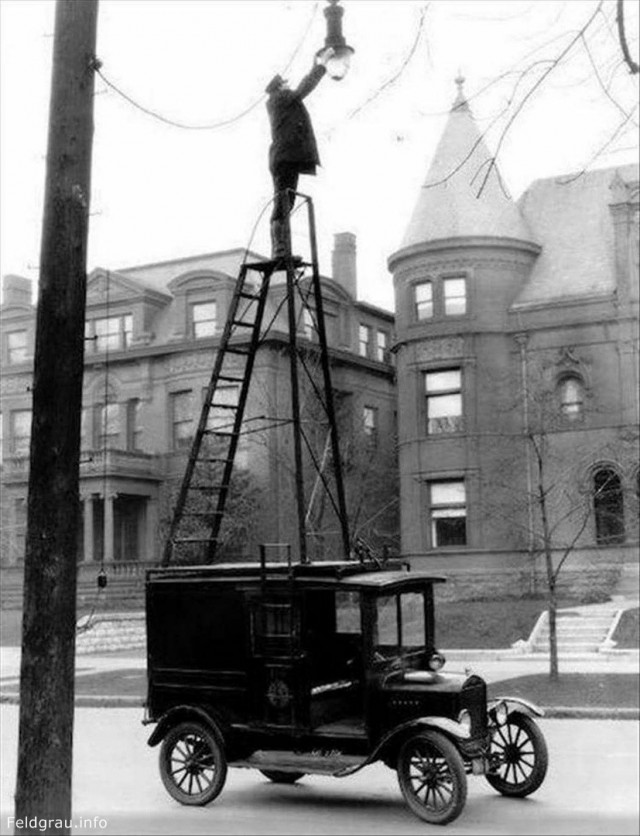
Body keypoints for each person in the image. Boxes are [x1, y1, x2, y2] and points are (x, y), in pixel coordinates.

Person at [265, 48, 335, 258]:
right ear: (279, 87)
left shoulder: (281, 101)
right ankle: (279, 249)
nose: (289, 86)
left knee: (286, 202)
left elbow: (300, 88)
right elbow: (304, 88)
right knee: (284, 202)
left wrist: (314, 64)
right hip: (285, 158)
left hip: (285, 158)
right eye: (285, 83)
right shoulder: (280, 99)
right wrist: (321, 66)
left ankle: (282, 249)